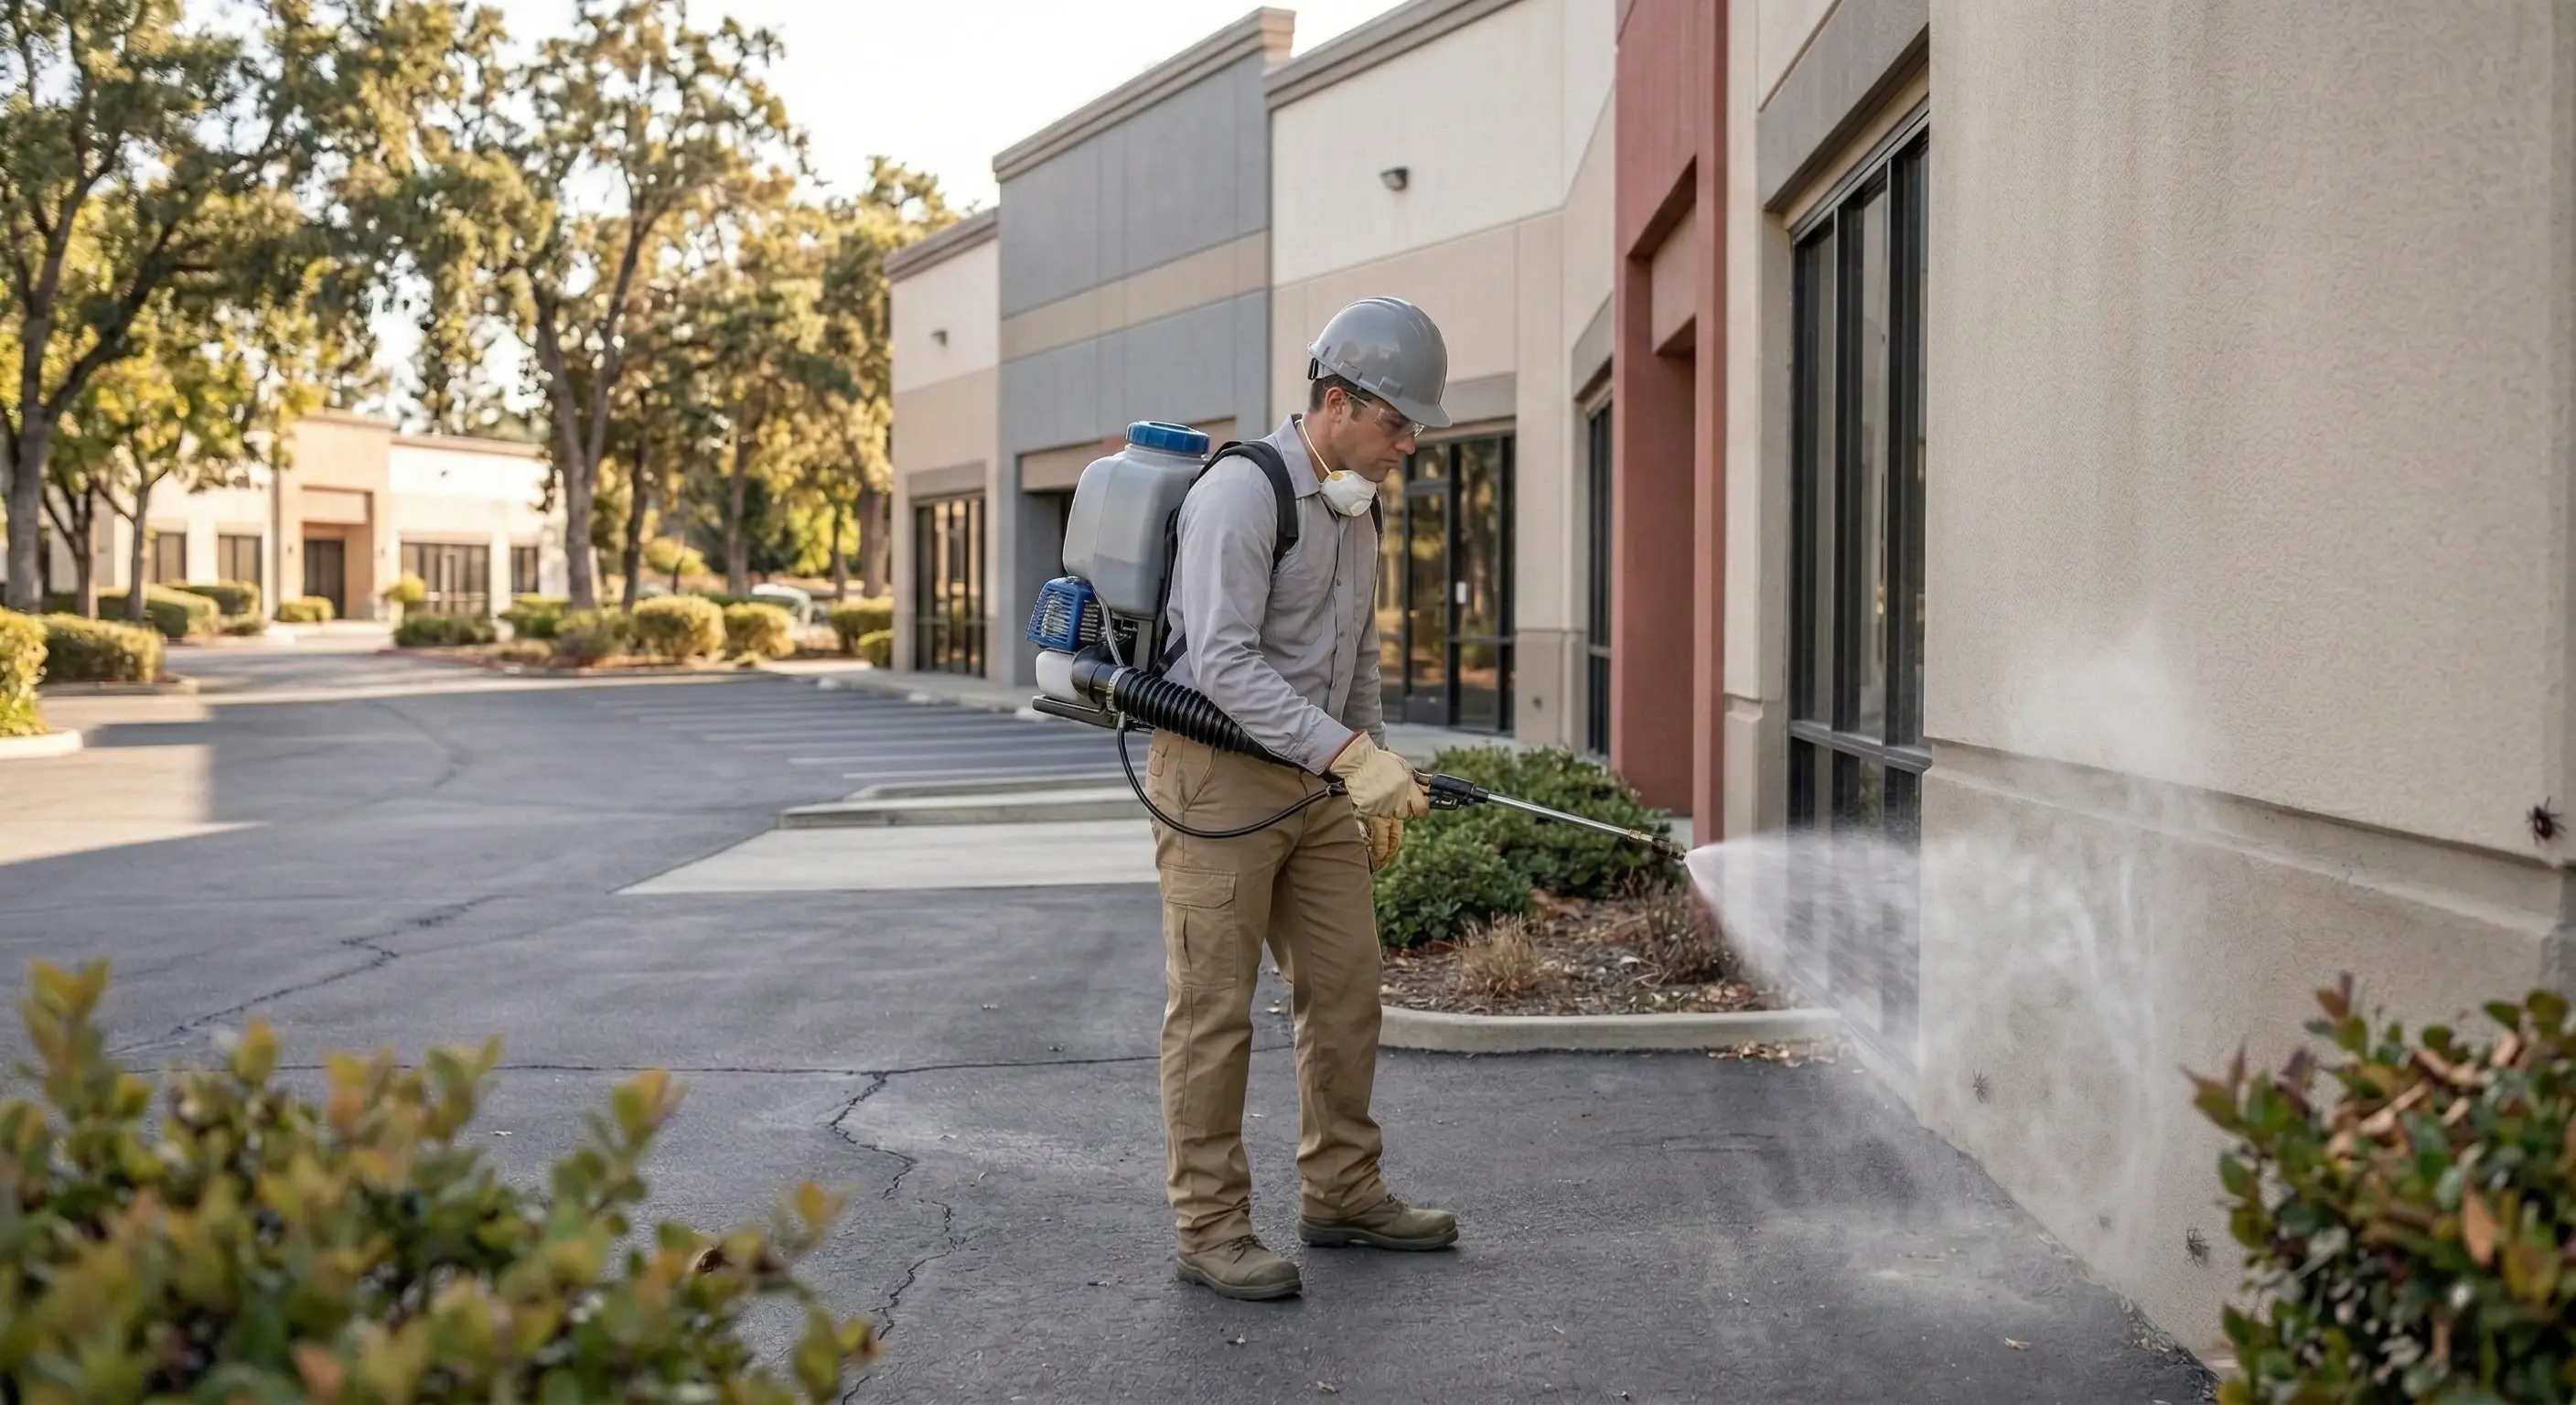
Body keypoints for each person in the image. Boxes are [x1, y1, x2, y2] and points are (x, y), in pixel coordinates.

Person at [1148, 296, 1457, 1302]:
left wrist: (1373, 769)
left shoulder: (1355, 503)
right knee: (1212, 1014)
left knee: (1345, 987)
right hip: (1216, 775)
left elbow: (1357, 652)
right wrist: (1345, 757)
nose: (1406, 445)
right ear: (1336, 401)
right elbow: (1226, 663)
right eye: (1396, 424)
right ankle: (1210, 1227)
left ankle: (1342, 1191)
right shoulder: (1243, 495)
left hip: (1317, 779)